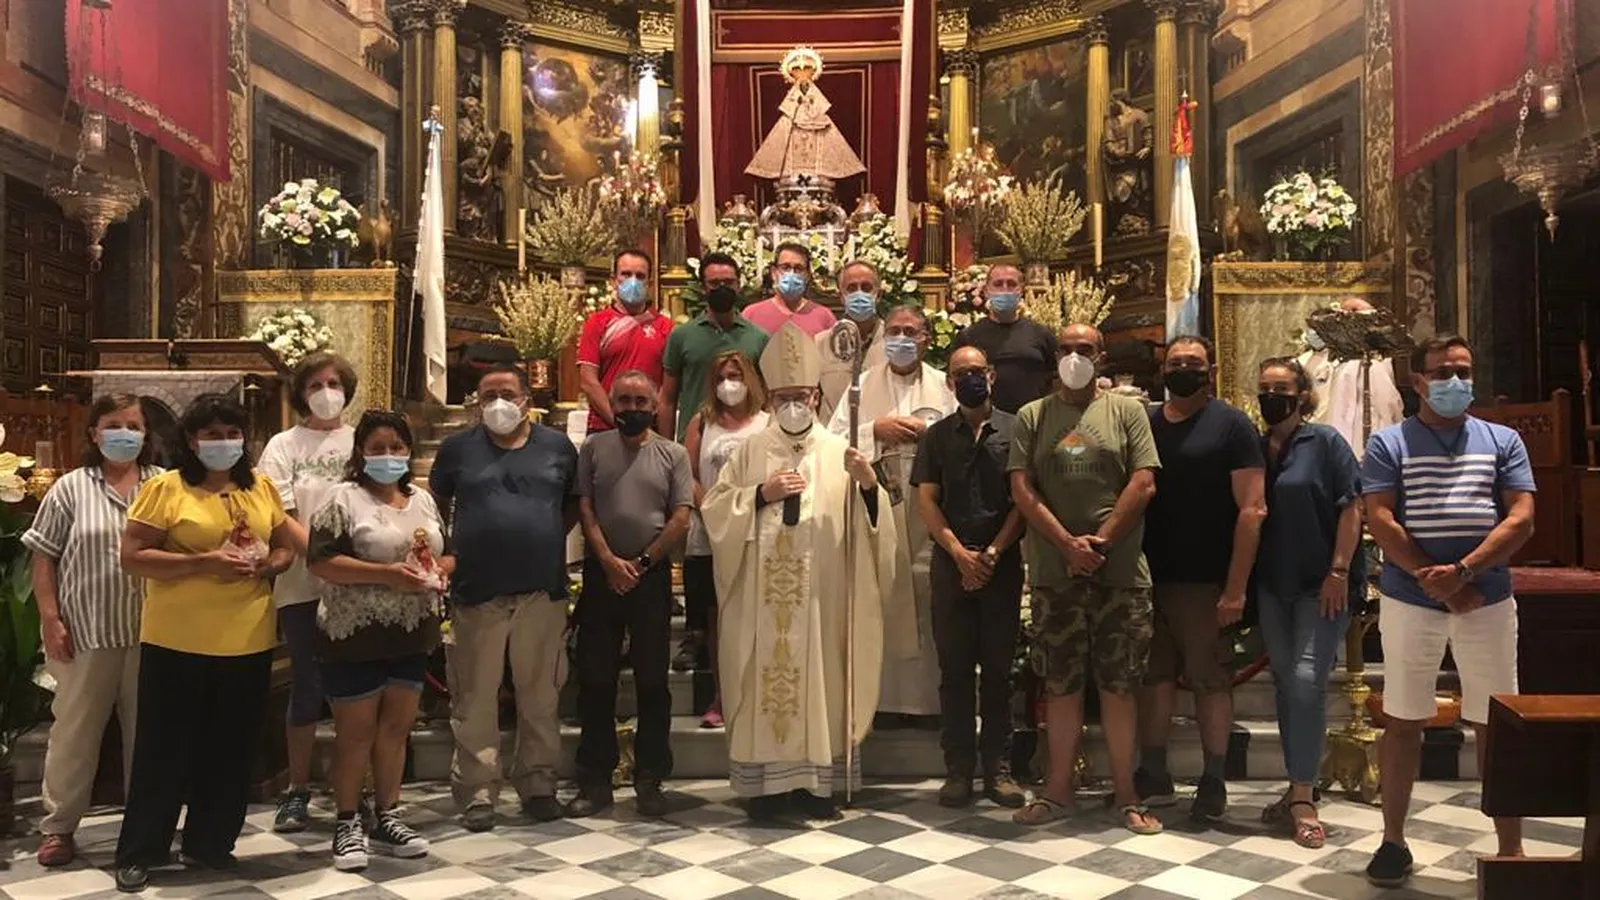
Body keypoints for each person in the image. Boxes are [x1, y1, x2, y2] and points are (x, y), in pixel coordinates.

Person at [701, 322, 901, 822]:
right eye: (784, 397)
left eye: (802, 396)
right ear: (770, 398)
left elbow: (873, 527)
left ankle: (817, 785)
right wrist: (759, 495)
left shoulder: (839, 453)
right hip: (759, 602)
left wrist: (869, 486)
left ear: (816, 396)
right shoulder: (750, 450)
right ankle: (767, 790)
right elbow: (716, 510)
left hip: (822, 602)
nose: (794, 404)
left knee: (823, 679)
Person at [1361, 334, 1534, 888]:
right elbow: (1380, 518)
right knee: (1402, 720)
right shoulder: (1389, 442)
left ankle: (1511, 848)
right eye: (1442, 373)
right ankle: (1393, 841)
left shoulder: (1502, 440)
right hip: (1411, 599)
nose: (1455, 382)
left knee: (1497, 724)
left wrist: (1462, 573)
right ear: (1418, 382)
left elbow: (1521, 517)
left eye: (1463, 371)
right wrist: (1433, 581)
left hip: (1487, 597)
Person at [113, 393, 299, 893]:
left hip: (247, 638)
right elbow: (133, 556)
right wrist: (203, 562)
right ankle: (140, 850)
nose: (224, 443)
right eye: (212, 435)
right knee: (164, 748)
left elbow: (285, 546)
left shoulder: (260, 487)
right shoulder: (166, 489)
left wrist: (270, 564)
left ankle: (210, 843)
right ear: (192, 441)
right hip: (178, 639)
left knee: (231, 748)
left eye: (233, 434)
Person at [1008, 324, 1161, 834]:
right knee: (1061, 684)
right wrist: (1067, 545)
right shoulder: (1034, 415)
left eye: (1085, 350)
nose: (1075, 357)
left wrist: (1101, 542)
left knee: (1119, 685)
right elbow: (1022, 488)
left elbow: (1144, 481)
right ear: (1055, 358)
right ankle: (1057, 791)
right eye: (1067, 349)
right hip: (1055, 572)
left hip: (1120, 572)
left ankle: (1126, 793)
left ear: (1102, 357)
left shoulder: (1127, 411)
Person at [429, 364, 578, 831]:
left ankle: (537, 783)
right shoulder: (457, 449)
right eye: (488, 394)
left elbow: (572, 504)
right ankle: (478, 791)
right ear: (476, 401)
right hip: (477, 591)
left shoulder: (557, 447)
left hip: (541, 590)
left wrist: (541, 536)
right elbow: (436, 504)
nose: (498, 403)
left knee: (541, 695)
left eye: (507, 393)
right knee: (475, 697)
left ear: (525, 398)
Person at [308, 410, 447, 871]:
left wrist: (436, 571)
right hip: (356, 633)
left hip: (410, 631)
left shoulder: (421, 499)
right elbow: (321, 562)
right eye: (377, 448)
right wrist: (387, 575)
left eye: (396, 447)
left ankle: (388, 814)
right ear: (361, 453)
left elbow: (446, 554)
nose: (388, 455)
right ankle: (347, 820)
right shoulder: (342, 499)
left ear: (408, 451)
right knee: (356, 734)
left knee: (395, 730)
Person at [26, 394, 161, 868]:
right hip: (85, 632)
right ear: (94, 433)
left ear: (146, 434)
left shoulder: (163, 486)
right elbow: (43, 556)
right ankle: (59, 827)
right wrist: (51, 619)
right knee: (74, 733)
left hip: (154, 634)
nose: (124, 434)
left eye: (133, 426)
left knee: (150, 735)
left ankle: (147, 828)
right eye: (113, 425)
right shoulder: (69, 488)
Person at [1137, 334, 1265, 822]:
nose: (1182, 369)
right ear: (1162, 370)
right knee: (1154, 678)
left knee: (1210, 680)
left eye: (1193, 362)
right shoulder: (1147, 422)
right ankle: (1153, 773)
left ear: (1210, 372)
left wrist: (1235, 587)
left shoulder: (1231, 425)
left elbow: (1252, 509)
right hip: (1148, 577)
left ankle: (1213, 779)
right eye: (1175, 362)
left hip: (1206, 580)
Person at [570, 370, 695, 817]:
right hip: (601, 575)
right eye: (623, 401)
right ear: (612, 404)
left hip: (650, 578)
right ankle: (595, 779)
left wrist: (641, 563)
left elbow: (681, 516)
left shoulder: (673, 453)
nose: (632, 409)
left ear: (655, 406)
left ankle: (650, 778)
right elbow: (585, 508)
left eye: (641, 402)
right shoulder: (593, 448)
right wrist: (607, 560)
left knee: (653, 682)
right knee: (596, 679)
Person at [911, 346, 1027, 808]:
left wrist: (993, 552)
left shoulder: (1016, 429)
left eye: (977, 371)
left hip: (1001, 564)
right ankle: (958, 769)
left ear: (992, 375)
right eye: (960, 374)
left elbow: (1023, 499)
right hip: (950, 565)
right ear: (949, 382)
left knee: (999, 673)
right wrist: (959, 554)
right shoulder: (936, 436)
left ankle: (998, 769)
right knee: (955, 672)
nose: (970, 379)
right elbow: (927, 500)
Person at [1254, 358, 1363, 849]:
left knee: (1305, 681)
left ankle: (1303, 797)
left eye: (1281, 388)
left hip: (1322, 584)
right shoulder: (1257, 447)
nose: (1271, 397)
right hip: (1273, 584)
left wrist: (1339, 569)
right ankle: (1297, 785)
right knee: (1285, 684)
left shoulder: (1326, 442)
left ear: (1302, 395)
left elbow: (1352, 505)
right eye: (1264, 388)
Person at [830, 302, 955, 725]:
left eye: (910, 332)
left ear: (926, 339)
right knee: (882, 594)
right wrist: (874, 431)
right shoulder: (861, 385)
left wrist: (930, 435)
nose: (901, 339)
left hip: (930, 509)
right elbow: (833, 443)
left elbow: (962, 437)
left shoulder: (944, 385)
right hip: (878, 508)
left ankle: (929, 705)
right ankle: (881, 704)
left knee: (928, 595)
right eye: (894, 332)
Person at [257, 352, 358, 833]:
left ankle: (352, 786)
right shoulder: (283, 445)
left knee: (355, 689)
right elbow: (280, 513)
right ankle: (297, 789)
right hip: (302, 582)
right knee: (307, 685)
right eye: (315, 384)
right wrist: (321, 559)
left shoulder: (360, 440)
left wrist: (349, 567)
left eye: (334, 383)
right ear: (301, 392)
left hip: (356, 584)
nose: (325, 391)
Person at [677, 351, 770, 727]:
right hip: (711, 530)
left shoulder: (767, 422)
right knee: (719, 617)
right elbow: (687, 472)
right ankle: (723, 695)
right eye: (720, 378)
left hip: (756, 527)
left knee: (758, 614)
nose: (728, 384)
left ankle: (759, 694)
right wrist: (711, 508)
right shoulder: (702, 422)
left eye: (735, 376)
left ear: (749, 380)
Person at [658, 252, 769, 441]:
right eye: (715, 283)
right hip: (694, 441)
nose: (722, 289)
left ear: (738, 285)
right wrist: (667, 448)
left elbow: (767, 398)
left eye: (729, 282)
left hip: (747, 441)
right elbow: (668, 399)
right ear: (703, 288)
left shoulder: (758, 338)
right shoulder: (681, 336)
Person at [577, 249, 674, 434]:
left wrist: (646, 426)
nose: (633, 281)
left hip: (649, 429)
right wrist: (619, 422)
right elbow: (588, 381)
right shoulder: (597, 323)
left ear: (649, 283)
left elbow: (667, 387)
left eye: (640, 276)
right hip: (605, 427)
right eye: (626, 274)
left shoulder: (665, 327)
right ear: (614, 280)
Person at [1298, 297, 1404, 461]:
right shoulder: (1338, 356)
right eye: (1343, 312)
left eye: (1353, 311)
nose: (1346, 317)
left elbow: (1387, 400)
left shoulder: (1377, 356)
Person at [952, 264, 1058, 413]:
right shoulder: (968, 336)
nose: (1005, 289)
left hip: (1034, 419)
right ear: (986, 290)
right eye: (998, 284)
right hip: (987, 420)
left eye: (1012, 284)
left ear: (1021, 290)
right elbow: (955, 380)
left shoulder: (1041, 334)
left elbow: (1056, 378)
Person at [816, 261, 887, 423]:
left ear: (879, 295)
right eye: (852, 288)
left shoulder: (893, 343)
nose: (859, 294)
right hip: (833, 434)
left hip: (880, 432)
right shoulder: (820, 343)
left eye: (866, 288)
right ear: (841, 297)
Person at [741, 242, 837, 338]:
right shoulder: (751, 314)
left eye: (799, 269)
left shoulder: (824, 317)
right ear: (774, 273)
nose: (791, 274)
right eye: (785, 267)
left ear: (807, 276)